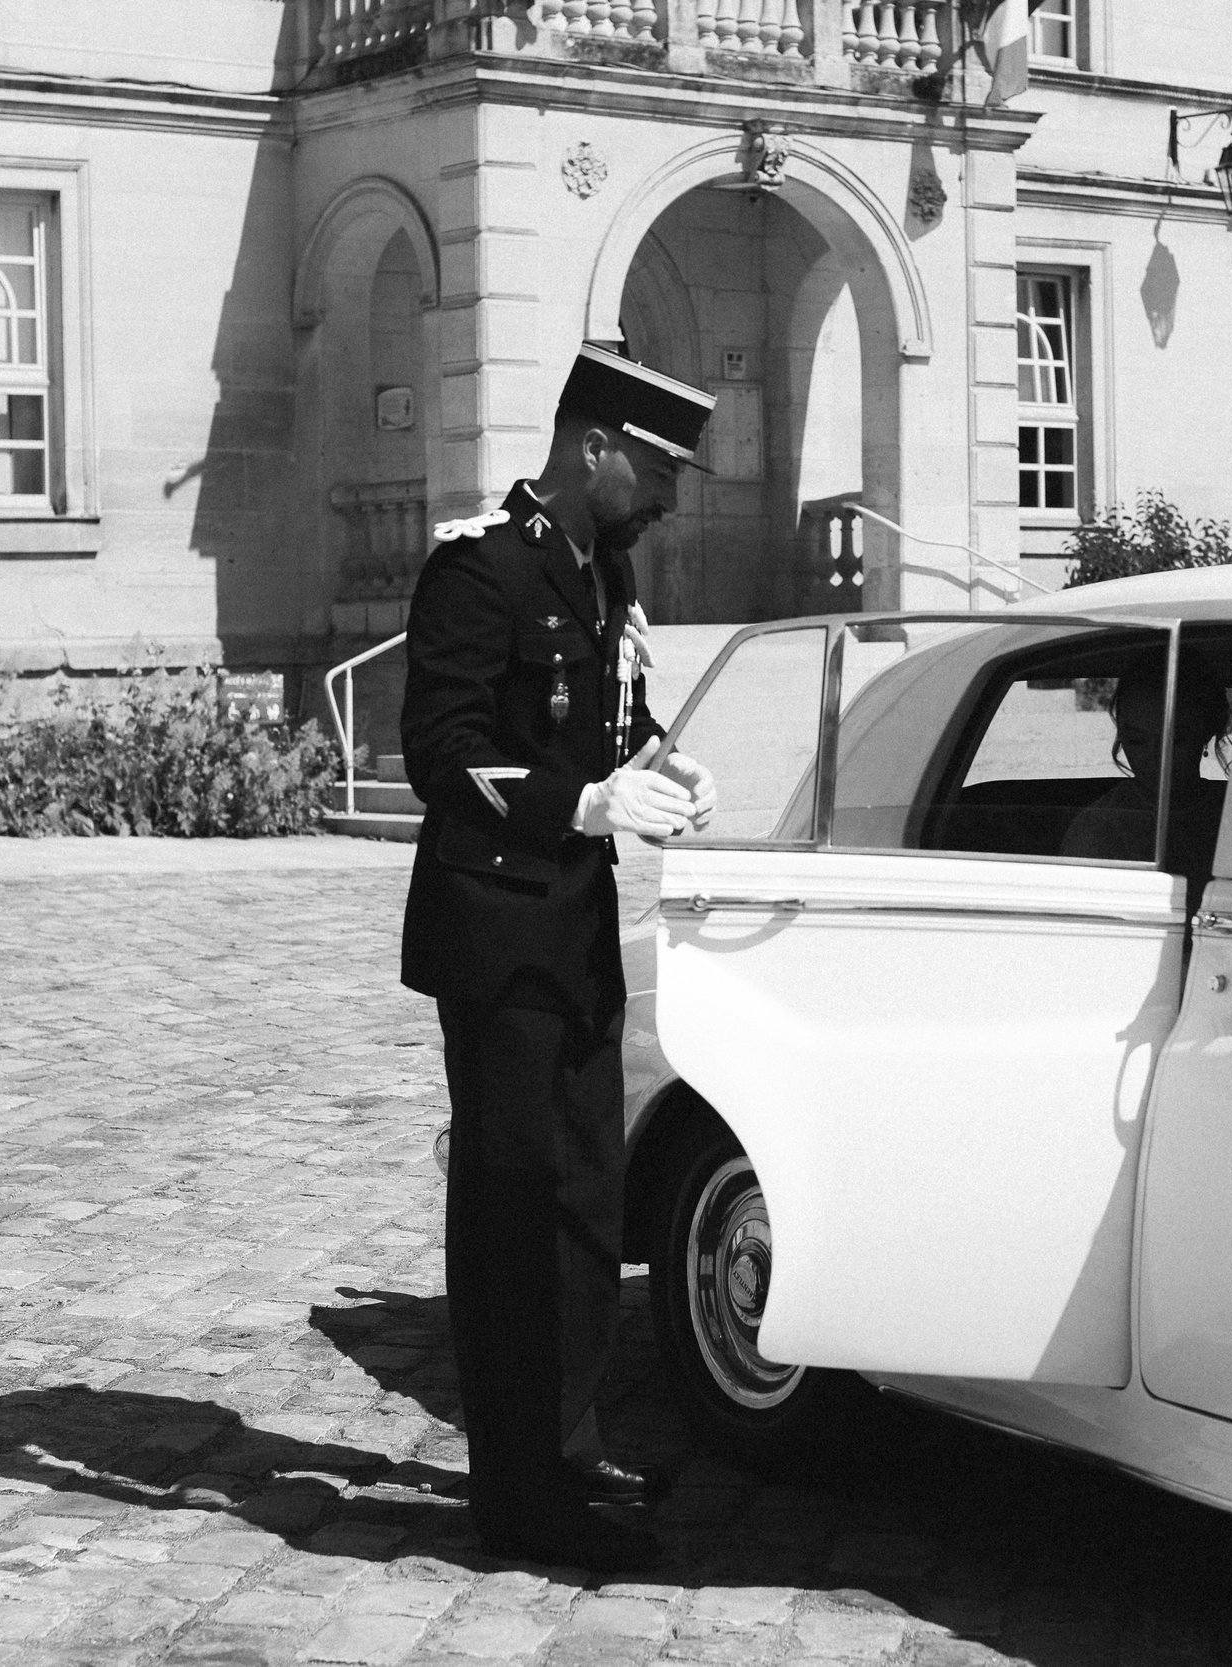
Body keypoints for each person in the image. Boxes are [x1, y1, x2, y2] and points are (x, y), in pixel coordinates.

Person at [398, 343, 719, 1572]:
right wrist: (582, 803)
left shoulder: (602, 567)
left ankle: (570, 1440)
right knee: (509, 1209)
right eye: (655, 469)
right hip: (496, 941)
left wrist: (658, 761)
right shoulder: (479, 569)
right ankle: (513, 1491)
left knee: (588, 1197)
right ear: (593, 449)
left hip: (575, 931)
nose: (670, 496)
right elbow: (444, 751)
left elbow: (608, 714)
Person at [1061, 654, 1232, 881]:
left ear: (1205, 733)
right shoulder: (1100, 828)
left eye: (1174, 740)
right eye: (1136, 741)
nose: (1155, 757)